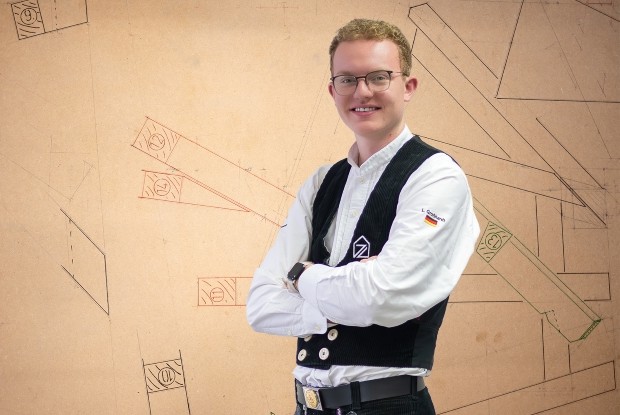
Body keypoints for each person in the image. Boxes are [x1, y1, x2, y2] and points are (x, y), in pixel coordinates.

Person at [246, 18, 480, 415]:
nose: (362, 92)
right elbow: (261, 305)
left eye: (378, 77)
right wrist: (350, 291)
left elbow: (381, 295)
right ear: (332, 90)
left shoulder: (435, 176)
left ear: (408, 86)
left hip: (388, 406)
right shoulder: (321, 183)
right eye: (347, 80)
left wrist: (302, 278)